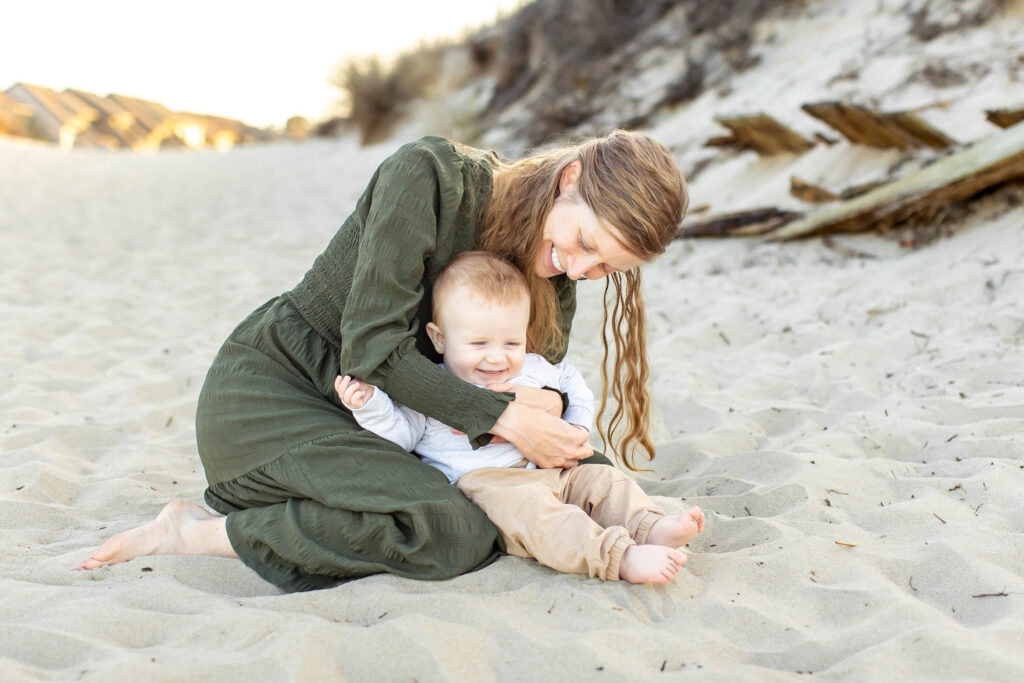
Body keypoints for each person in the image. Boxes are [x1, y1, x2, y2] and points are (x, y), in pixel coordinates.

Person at [76, 130, 689, 592]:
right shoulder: (430, 177)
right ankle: (196, 534)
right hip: (278, 394)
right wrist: (505, 416)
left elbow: (526, 394)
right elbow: (371, 349)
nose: (578, 268)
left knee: (534, 487)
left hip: (392, 429)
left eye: (604, 266)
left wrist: (551, 417)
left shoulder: (554, 271)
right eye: (584, 243)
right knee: (454, 533)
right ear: (570, 177)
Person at [336, 251, 704, 584]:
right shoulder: (434, 388)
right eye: (479, 344)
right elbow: (404, 437)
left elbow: (572, 381)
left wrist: (576, 424)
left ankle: (650, 527)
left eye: (511, 343)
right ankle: (618, 557)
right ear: (439, 338)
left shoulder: (532, 369)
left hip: (553, 469)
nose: (497, 358)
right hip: (492, 485)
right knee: (542, 519)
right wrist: (371, 407)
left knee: (605, 481)